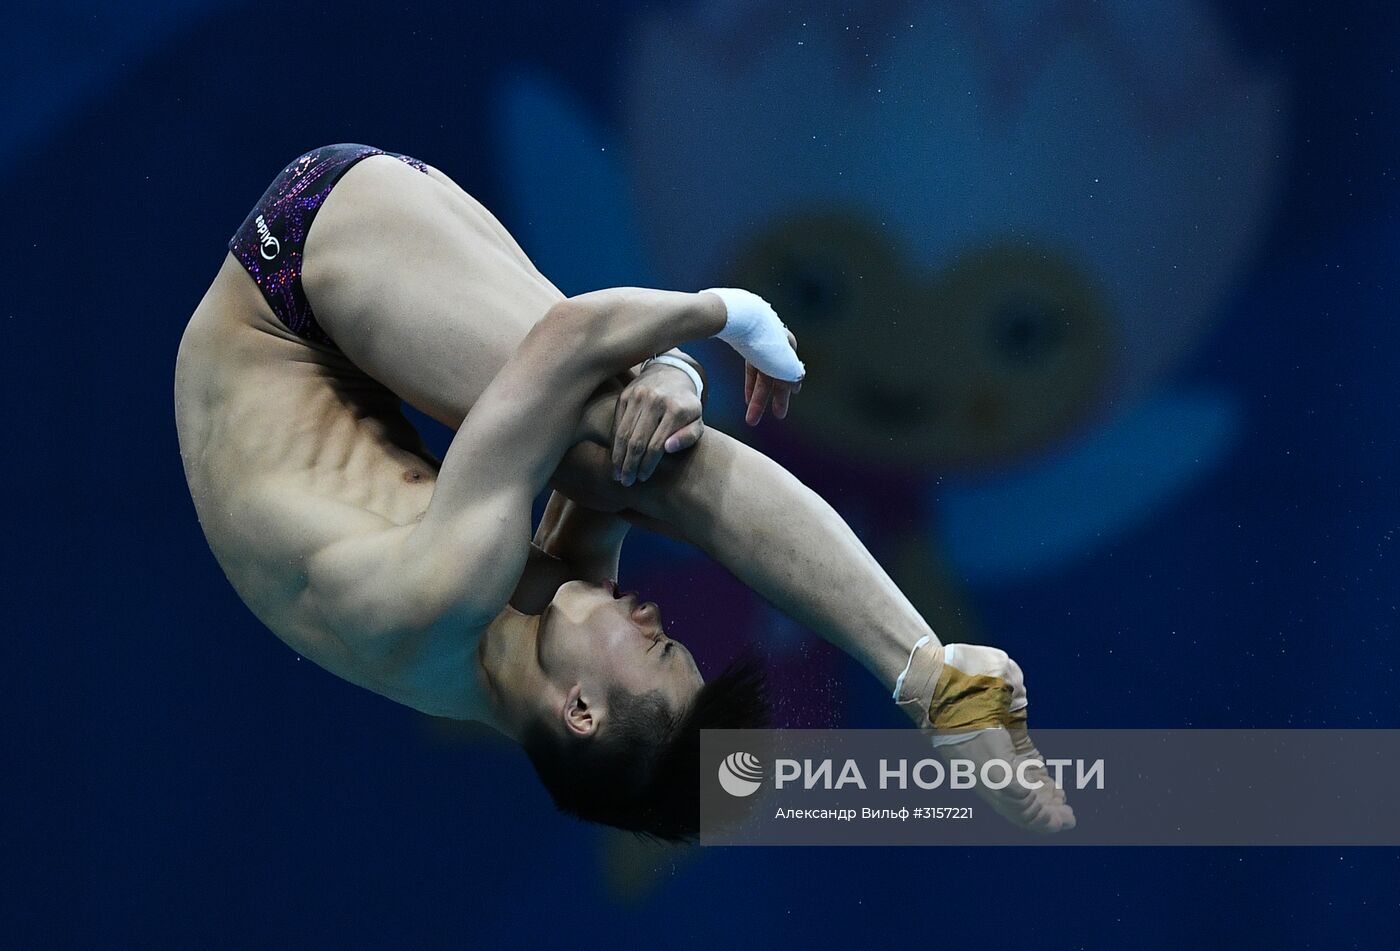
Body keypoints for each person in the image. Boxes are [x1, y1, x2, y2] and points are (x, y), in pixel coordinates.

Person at [175, 144, 1073, 840]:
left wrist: (718, 320)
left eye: (659, 647)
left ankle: (927, 678)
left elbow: (570, 341)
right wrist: (669, 382)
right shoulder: (511, 662)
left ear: (580, 710)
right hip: (343, 272)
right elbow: (608, 463)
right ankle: (930, 675)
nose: (648, 612)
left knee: (640, 451)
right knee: (631, 452)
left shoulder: (441, 593)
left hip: (300, 263)